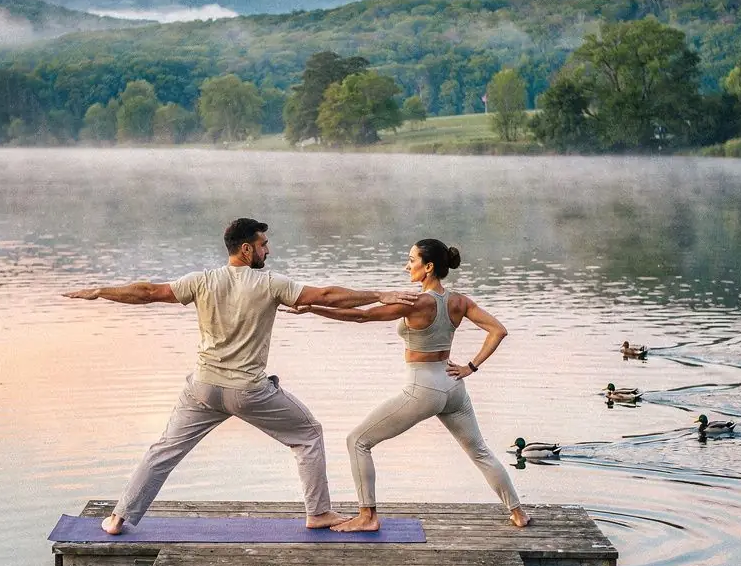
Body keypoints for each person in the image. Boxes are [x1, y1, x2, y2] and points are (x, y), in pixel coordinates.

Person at [64, 217, 415, 534]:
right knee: (308, 434)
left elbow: (147, 292)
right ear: (246, 249)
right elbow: (326, 295)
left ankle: (117, 518)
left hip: (202, 388)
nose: (268, 250)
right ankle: (319, 512)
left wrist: (100, 291)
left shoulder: (201, 281)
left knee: (164, 450)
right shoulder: (269, 284)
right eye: (263, 245)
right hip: (247, 390)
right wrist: (378, 294)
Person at [291, 237, 530, 532]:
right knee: (479, 451)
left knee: (358, 441)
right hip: (453, 387)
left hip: (423, 388)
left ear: (428, 267)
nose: (407, 266)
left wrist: (313, 308)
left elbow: (361, 317)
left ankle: (367, 517)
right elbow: (498, 330)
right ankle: (518, 513)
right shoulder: (459, 301)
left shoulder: (418, 302)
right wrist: (470, 367)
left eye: (411, 260)